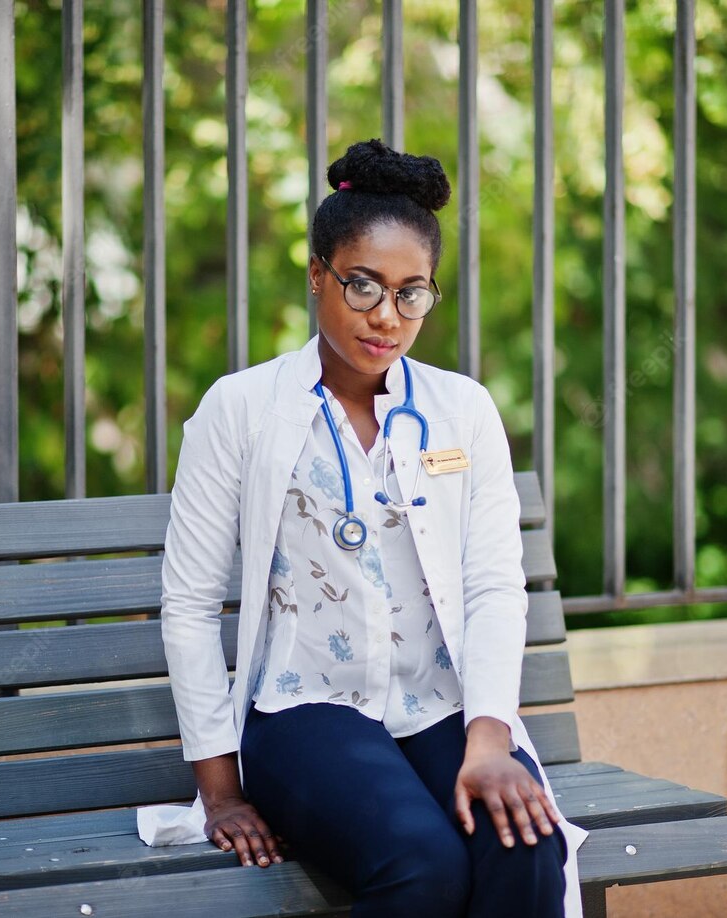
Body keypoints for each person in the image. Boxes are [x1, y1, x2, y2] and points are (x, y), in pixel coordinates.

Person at [141, 139, 587, 918]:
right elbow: (188, 604)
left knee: (526, 850)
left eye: (412, 292)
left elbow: (491, 587)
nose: (387, 316)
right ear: (318, 276)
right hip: (303, 707)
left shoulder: (462, 410)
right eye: (362, 285)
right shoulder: (242, 409)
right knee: (422, 865)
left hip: (440, 704)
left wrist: (489, 742)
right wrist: (219, 793)